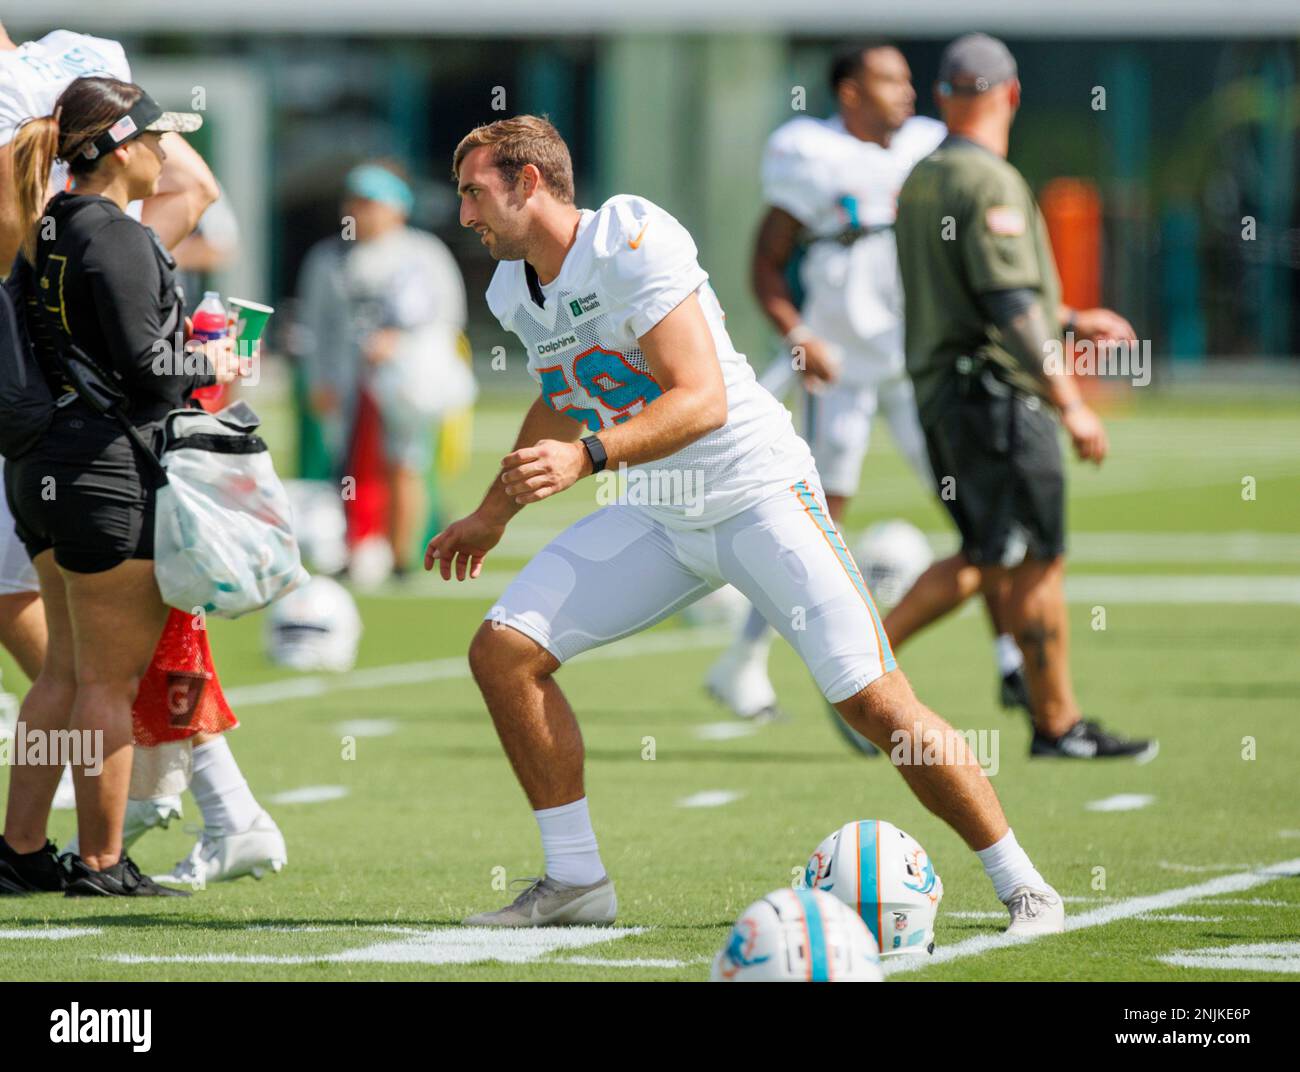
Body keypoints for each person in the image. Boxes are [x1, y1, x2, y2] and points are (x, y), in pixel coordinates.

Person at [427, 115, 1064, 934]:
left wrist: (589, 458)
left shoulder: (630, 239)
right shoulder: (514, 288)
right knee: (504, 652)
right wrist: (492, 512)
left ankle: (1025, 886)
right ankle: (576, 880)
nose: (466, 215)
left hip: (755, 492)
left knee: (872, 701)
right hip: (659, 514)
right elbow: (562, 392)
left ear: (530, 182)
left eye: (475, 193)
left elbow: (701, 398)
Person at [0, 24, 285, 889]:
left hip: (41, 465)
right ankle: (101, 857)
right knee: (105, 685)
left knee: (60, 674)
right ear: (121, 148)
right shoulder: (113, 236)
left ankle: (18, 851)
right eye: (158, 138)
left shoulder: (46, 233)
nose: (168, 152)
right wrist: (216, 365)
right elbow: (147, 368)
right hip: (103, 468)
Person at [706, 41, 1032, 754]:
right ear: (849, 92)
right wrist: (796, 334)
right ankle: (749, 659)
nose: (907, 93)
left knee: (976, 510)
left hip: (919, 364)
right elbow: (765, 260)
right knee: (813, 524)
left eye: (911, 80)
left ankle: (1013, 660)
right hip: (842, 373)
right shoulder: (808, 151)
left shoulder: (927, 146)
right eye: (889, 80)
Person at [889, 34, 1155, 760]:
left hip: (944, 394)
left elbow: (971, 292)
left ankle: (865, 664)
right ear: (1010, 94)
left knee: (990, 556)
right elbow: (1007, 303)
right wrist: (1069, 401)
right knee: (1034, 556)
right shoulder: (990, 181)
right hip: (997, 397)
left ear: (945, 96)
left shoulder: (922, 177)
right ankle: (1056, 724)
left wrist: (1067, 318)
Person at [297, 162, 469, 579]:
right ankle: (350, 546)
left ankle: (401, 555)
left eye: (370, 203)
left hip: (403, 380)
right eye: (354, 202)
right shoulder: (329, 257)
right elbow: (315, 326)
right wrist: (318, 377)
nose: (359, 211)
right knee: (346, 464)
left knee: (405, 462)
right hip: (346, 380)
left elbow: (447, 315)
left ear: (396, 209)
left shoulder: (422, 253)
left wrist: (403, 344)